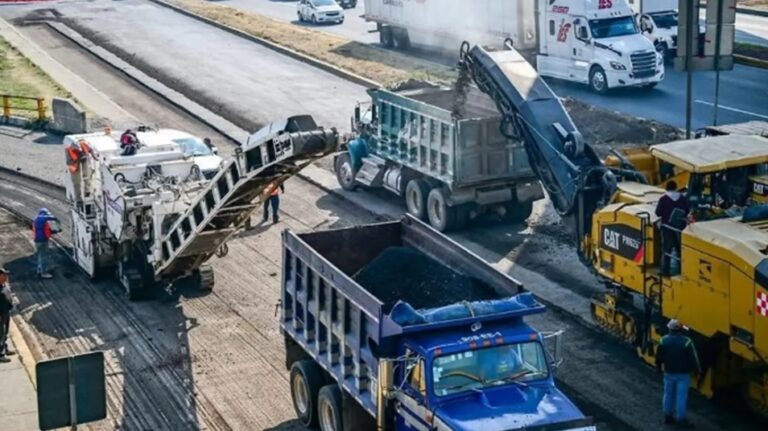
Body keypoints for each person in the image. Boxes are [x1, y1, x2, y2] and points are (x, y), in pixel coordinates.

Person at [655, 319, 701, 428]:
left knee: (668, 394)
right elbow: (694, 358)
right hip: (683, 374)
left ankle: (668, 416)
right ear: (680, 329)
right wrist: (698, 371)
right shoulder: (687, 341)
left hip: (669, 373)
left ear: (669, 329)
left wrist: (658, 368)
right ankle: (681, 419)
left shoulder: (663, 340)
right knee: (681, 397)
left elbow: (658, 357)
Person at [655, 181, 690, 275]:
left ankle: (665, 271)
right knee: (680, 249)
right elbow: (687, 211)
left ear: (666, 188)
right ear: (676, 187)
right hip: (680, 228)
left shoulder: (663, 199)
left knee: (667, 249)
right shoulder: (682, 198)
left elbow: (658, 212)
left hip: (667, 228)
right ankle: (682, 270)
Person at [32, 208, 59, 279]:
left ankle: (40, 269)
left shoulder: (39, 221)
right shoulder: (39, 219)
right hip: (41, 241)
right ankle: (43, 273)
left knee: (41, 256)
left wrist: (54, 231)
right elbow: (45, 218)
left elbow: (44, 230)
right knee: (43, 257)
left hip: (40, 240)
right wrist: (54, 218)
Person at [0, 267, 13, 363]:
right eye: (4, 275)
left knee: (5, 332)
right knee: (0, 333)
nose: (6, 276)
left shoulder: (4, 285)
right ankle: (1, 354)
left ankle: (5, 347)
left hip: (6, 312)